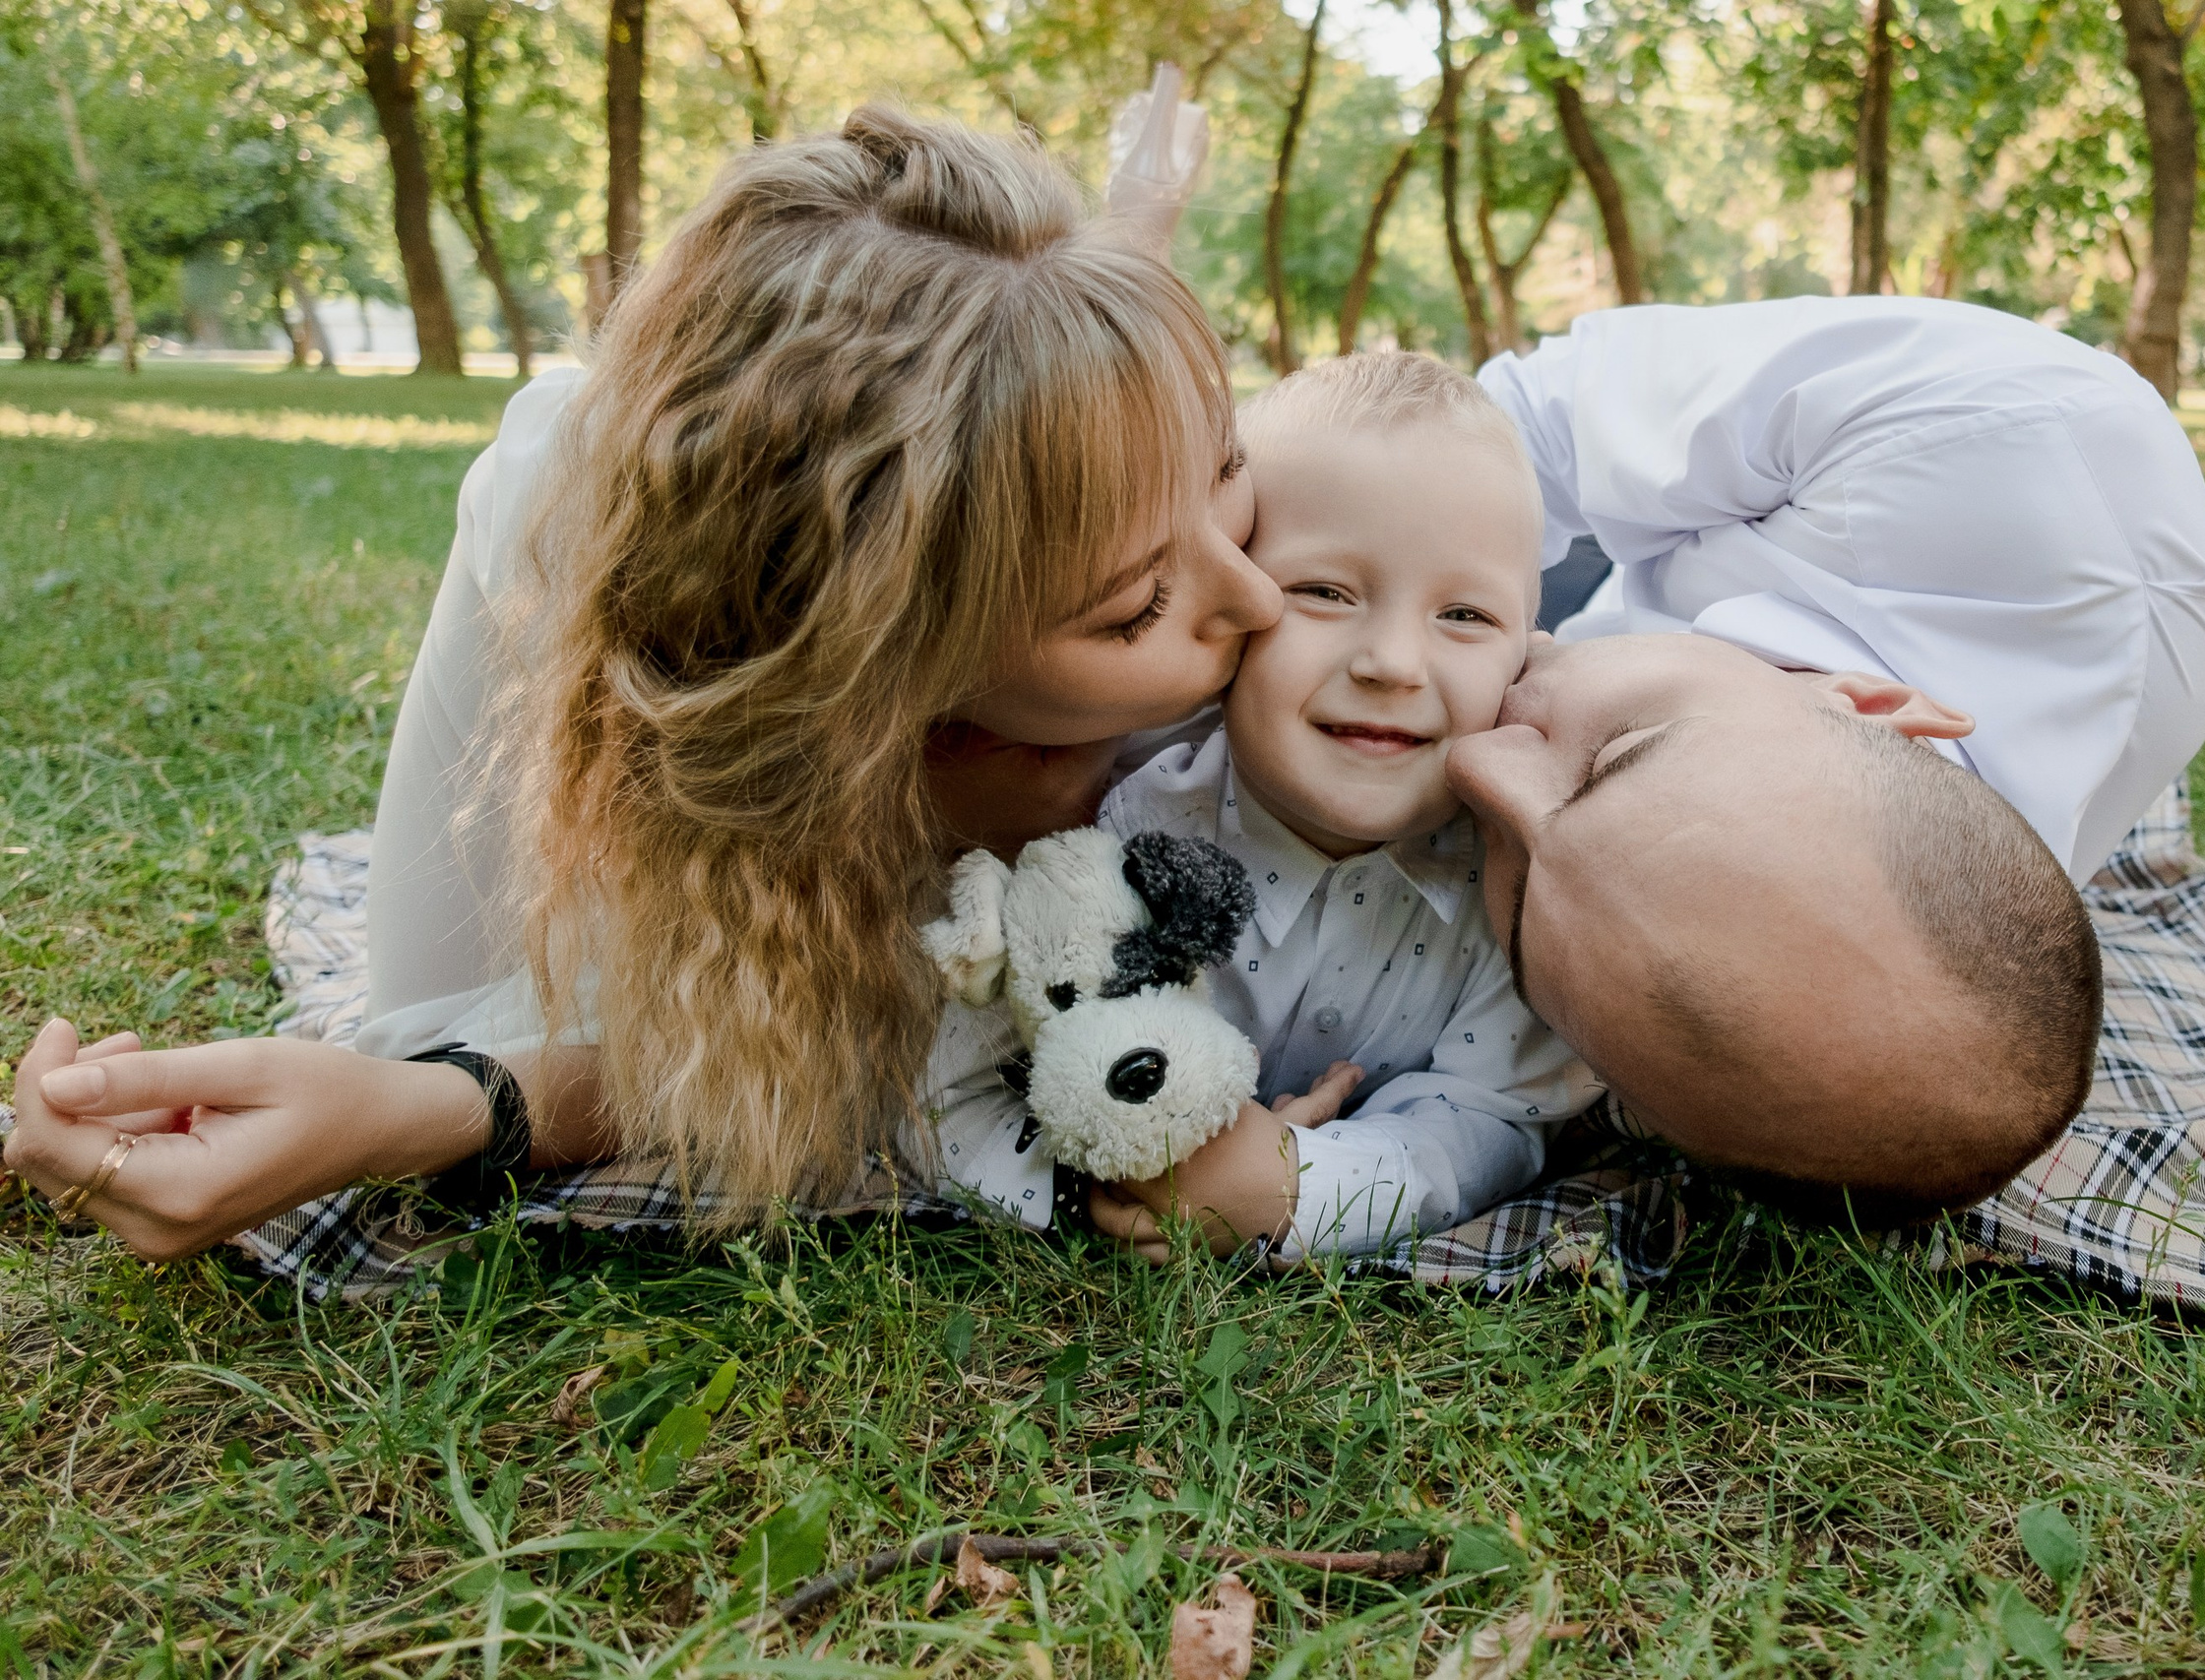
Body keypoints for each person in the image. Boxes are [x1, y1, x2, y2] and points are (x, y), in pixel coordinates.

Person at [5, 106, 1286, 1257]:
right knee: (416, 1019)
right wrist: (402, 1111)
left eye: (1229, 472)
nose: (1259, 596)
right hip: (622, 563)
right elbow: (714, 1045)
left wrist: (1129, 247)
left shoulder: (1200, 590)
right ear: (882, 683)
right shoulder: (711, 670)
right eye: (1137, 606)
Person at [1447, 297, 2205, 1218]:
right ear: (1867, 703)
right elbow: (1506, 427)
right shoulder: (1986, 431)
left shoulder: (1857, 985)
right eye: (1617, 755)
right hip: (1612, 525)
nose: (1474, 765)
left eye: (1518, 914)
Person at [940, 352, 1605, 1260]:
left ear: (1524, 655)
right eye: (1324, 593)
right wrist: (1081, 1182)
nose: (1393, 663)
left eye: (1465, 617)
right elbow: (958, 1070)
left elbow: (1487, 1116)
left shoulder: (1513, 891)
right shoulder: (1113, 822)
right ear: (1235, 607)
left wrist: (1297, 1186)